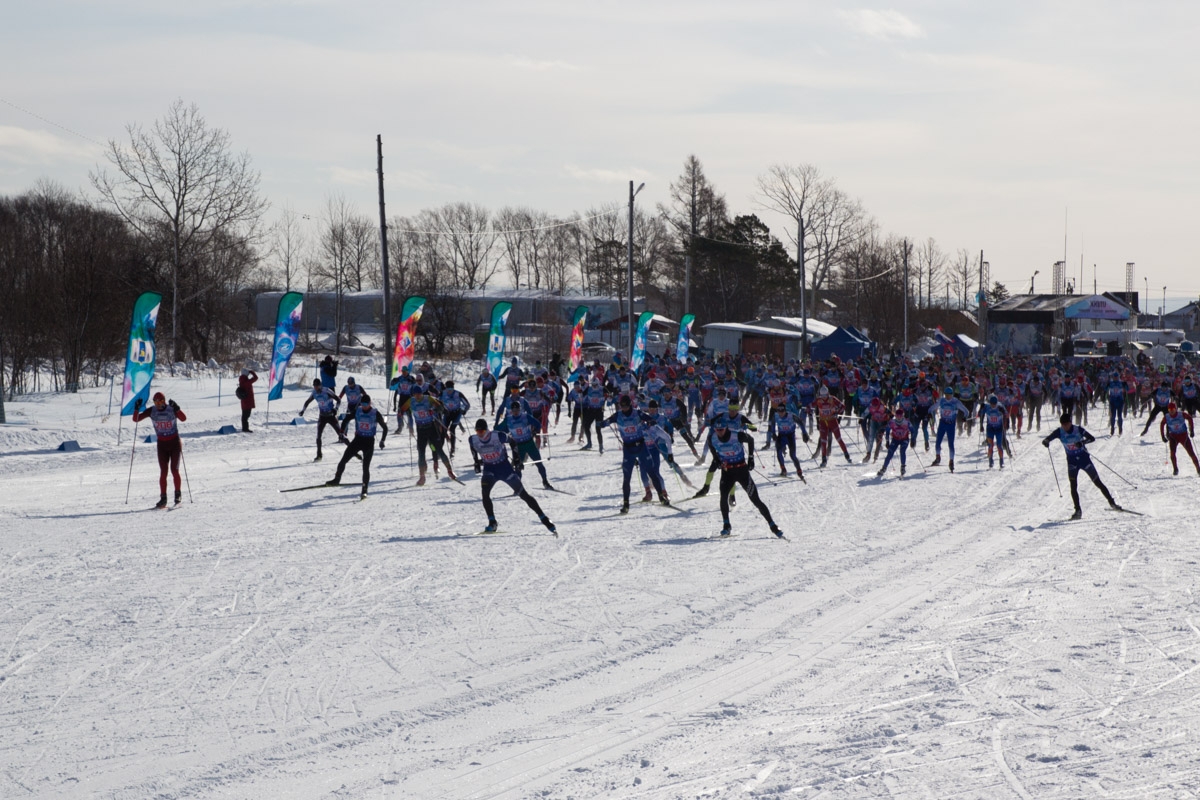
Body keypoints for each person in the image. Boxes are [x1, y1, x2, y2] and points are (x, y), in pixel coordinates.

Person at [469, 419, 556, 534]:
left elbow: (513, 441)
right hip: (489, 469)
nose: (480, 434)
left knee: (523, 494)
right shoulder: (473, 439)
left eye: (482, 431)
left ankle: (544, 519)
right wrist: (476, 461)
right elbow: (473, 447)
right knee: (485, 494)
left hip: (504, 468)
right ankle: (492, 522)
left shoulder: (497, 436)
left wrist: (516, 459)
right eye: (478, 431)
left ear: (487, 430)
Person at [708, 417, 783, 538]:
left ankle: (773, 525)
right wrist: (716, 460)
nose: (719, 432)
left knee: (755, 500)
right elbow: (711, 446)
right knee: (723, 497)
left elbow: (751, 440)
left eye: (721, 429)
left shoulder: (736, 435)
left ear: (726, 428)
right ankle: (726, 525)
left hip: (741, 470)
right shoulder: (713, 438)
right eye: (717, 430)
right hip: (727, 472)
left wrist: (751, 458)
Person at [1043, 412, 1122, 519]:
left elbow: (1092, 438)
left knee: (1097, 482)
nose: (1065, 427)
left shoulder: (1077, 429)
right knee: (1073, 486)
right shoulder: (1059, 431)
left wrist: (1082, 443)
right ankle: (1078, 511)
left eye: (1067, 424)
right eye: (1063, 425)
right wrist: (1046, 441)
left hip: (1084, 460)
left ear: (1070, 422)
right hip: (1072, 463)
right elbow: (1047, 438)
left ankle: (1112, 504)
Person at [603, 395, 668, 513]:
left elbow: (649, 418)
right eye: (622, 407)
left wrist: (651, 421)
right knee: (626, 478)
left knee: (652, 472)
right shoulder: (618, 415)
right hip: (628, 450)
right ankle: (626, 504)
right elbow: (606, 422)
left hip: (641, 447)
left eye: (626, 406)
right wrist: (602, 423)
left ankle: (661, 497)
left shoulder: (637, 413)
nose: (624, 409)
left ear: (630, 405)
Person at [327, 393, 388, 498]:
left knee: (365, 467)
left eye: (366, 404)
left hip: (369, 442)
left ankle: (364, 490)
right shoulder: (358, 411)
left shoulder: (375, 413)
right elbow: (346, 419)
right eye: (362, 404)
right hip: (358, 440)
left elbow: (385, 428)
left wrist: (382, 440)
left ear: (370, 403)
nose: (364, 406)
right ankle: (337, 479)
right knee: (343, 460)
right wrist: (341, 432)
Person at [133, 391, 187, 508]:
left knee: (174, 470)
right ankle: (163, 498)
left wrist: (177, 408)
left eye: (160, 401)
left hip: (174, 444)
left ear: (164, 400)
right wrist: (136, 408)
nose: (158, 404)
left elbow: (183, 418)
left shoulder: (170, 409)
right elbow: (136, 419)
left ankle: (178, 495)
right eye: (155, 402)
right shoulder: (152, 411)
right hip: (162, 444)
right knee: (163, 472)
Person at [398, 385, 458, 485]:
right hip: (420, 430)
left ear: (422, 393)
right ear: (413, 394)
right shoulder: (411, 401)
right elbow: (402, 409)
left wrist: (434, 410)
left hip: (431, 428)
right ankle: (422, 477)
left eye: (419, 394)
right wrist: (401, 412)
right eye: (416, 394)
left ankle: (450, 471)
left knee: (439, 450)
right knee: (421, 454)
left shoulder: (428, 398)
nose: (418, 396)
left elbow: (440, 407)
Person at [496, 399, 554, 489]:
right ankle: (518, 487)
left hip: (529, 443)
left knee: (539, 463)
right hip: (518, 446)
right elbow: (499, 429)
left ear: (520, 409)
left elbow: (538, 424)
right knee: (518, 467)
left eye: (517, 410)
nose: (515, 412)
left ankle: (545, 482)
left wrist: (535, 431)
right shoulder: (508, 419)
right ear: (511, 411)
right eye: (514, 410)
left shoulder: (526, 416)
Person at [300, 378, 344, 461]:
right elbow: (307, 402)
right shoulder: (314, 393)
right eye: (314, 386)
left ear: (320, 385)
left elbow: (338, 399)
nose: (316, 387)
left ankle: (353, 451)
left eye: (317, 386)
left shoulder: (326, 390)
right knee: (318, 436)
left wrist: (336, 409)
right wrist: (303, 410)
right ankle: (319, 455)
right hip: (322, 417)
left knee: (341, 434)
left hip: (331, 416)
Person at [930, 383, 970, 472]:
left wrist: (964, 417)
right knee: (938, 442)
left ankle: (951, 461)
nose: (948, 397)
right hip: (942, 423)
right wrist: (928, 412)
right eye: (946, 395)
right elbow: (933, 407)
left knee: (950, 444)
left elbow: (966, 411)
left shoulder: (956, 402)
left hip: (951, 425)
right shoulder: (942, 401)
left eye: (949, 395)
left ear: (952, 394)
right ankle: (938, 458)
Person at [1160, 402, 1200, 476]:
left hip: (1183, 436)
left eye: (1172, 409)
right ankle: (1175, 469)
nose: (1171, 411)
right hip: (1173, 437)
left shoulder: (1181, 414)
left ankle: (1198, 469)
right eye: (1169, 409)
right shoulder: (1167, 416)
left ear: (1175, 409)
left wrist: (1192, 430)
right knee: (1172, 453)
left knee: (1191, 453)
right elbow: (1162, 424)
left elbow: (1190, 418)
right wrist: (1163, 436)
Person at [876, 407, 911, 477]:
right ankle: (884, 468)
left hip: (904, 439)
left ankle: (903, 467)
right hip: (895, 439)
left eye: (900, 416)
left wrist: (913, 439)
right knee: (890, 453)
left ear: (903, 416)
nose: (898, 418)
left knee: (902, 451)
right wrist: (887, 441)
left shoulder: (906, 422)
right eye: (897, 416)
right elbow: (888, 431)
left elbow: (913, 430)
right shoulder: (892, 422)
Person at [978, 394, 1009, 469]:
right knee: (990, 446)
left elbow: (1007, 415)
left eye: (994, 404)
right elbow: (979, 415)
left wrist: (1006, 421)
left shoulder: (1000, 406)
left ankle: (1001, 462)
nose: (993, 406)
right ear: (990, 403)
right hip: (990, 429)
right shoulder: (987, 407)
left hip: (999, 429)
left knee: (999, 446)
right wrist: (980, 408)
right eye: (992, 404)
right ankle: (990, 461)